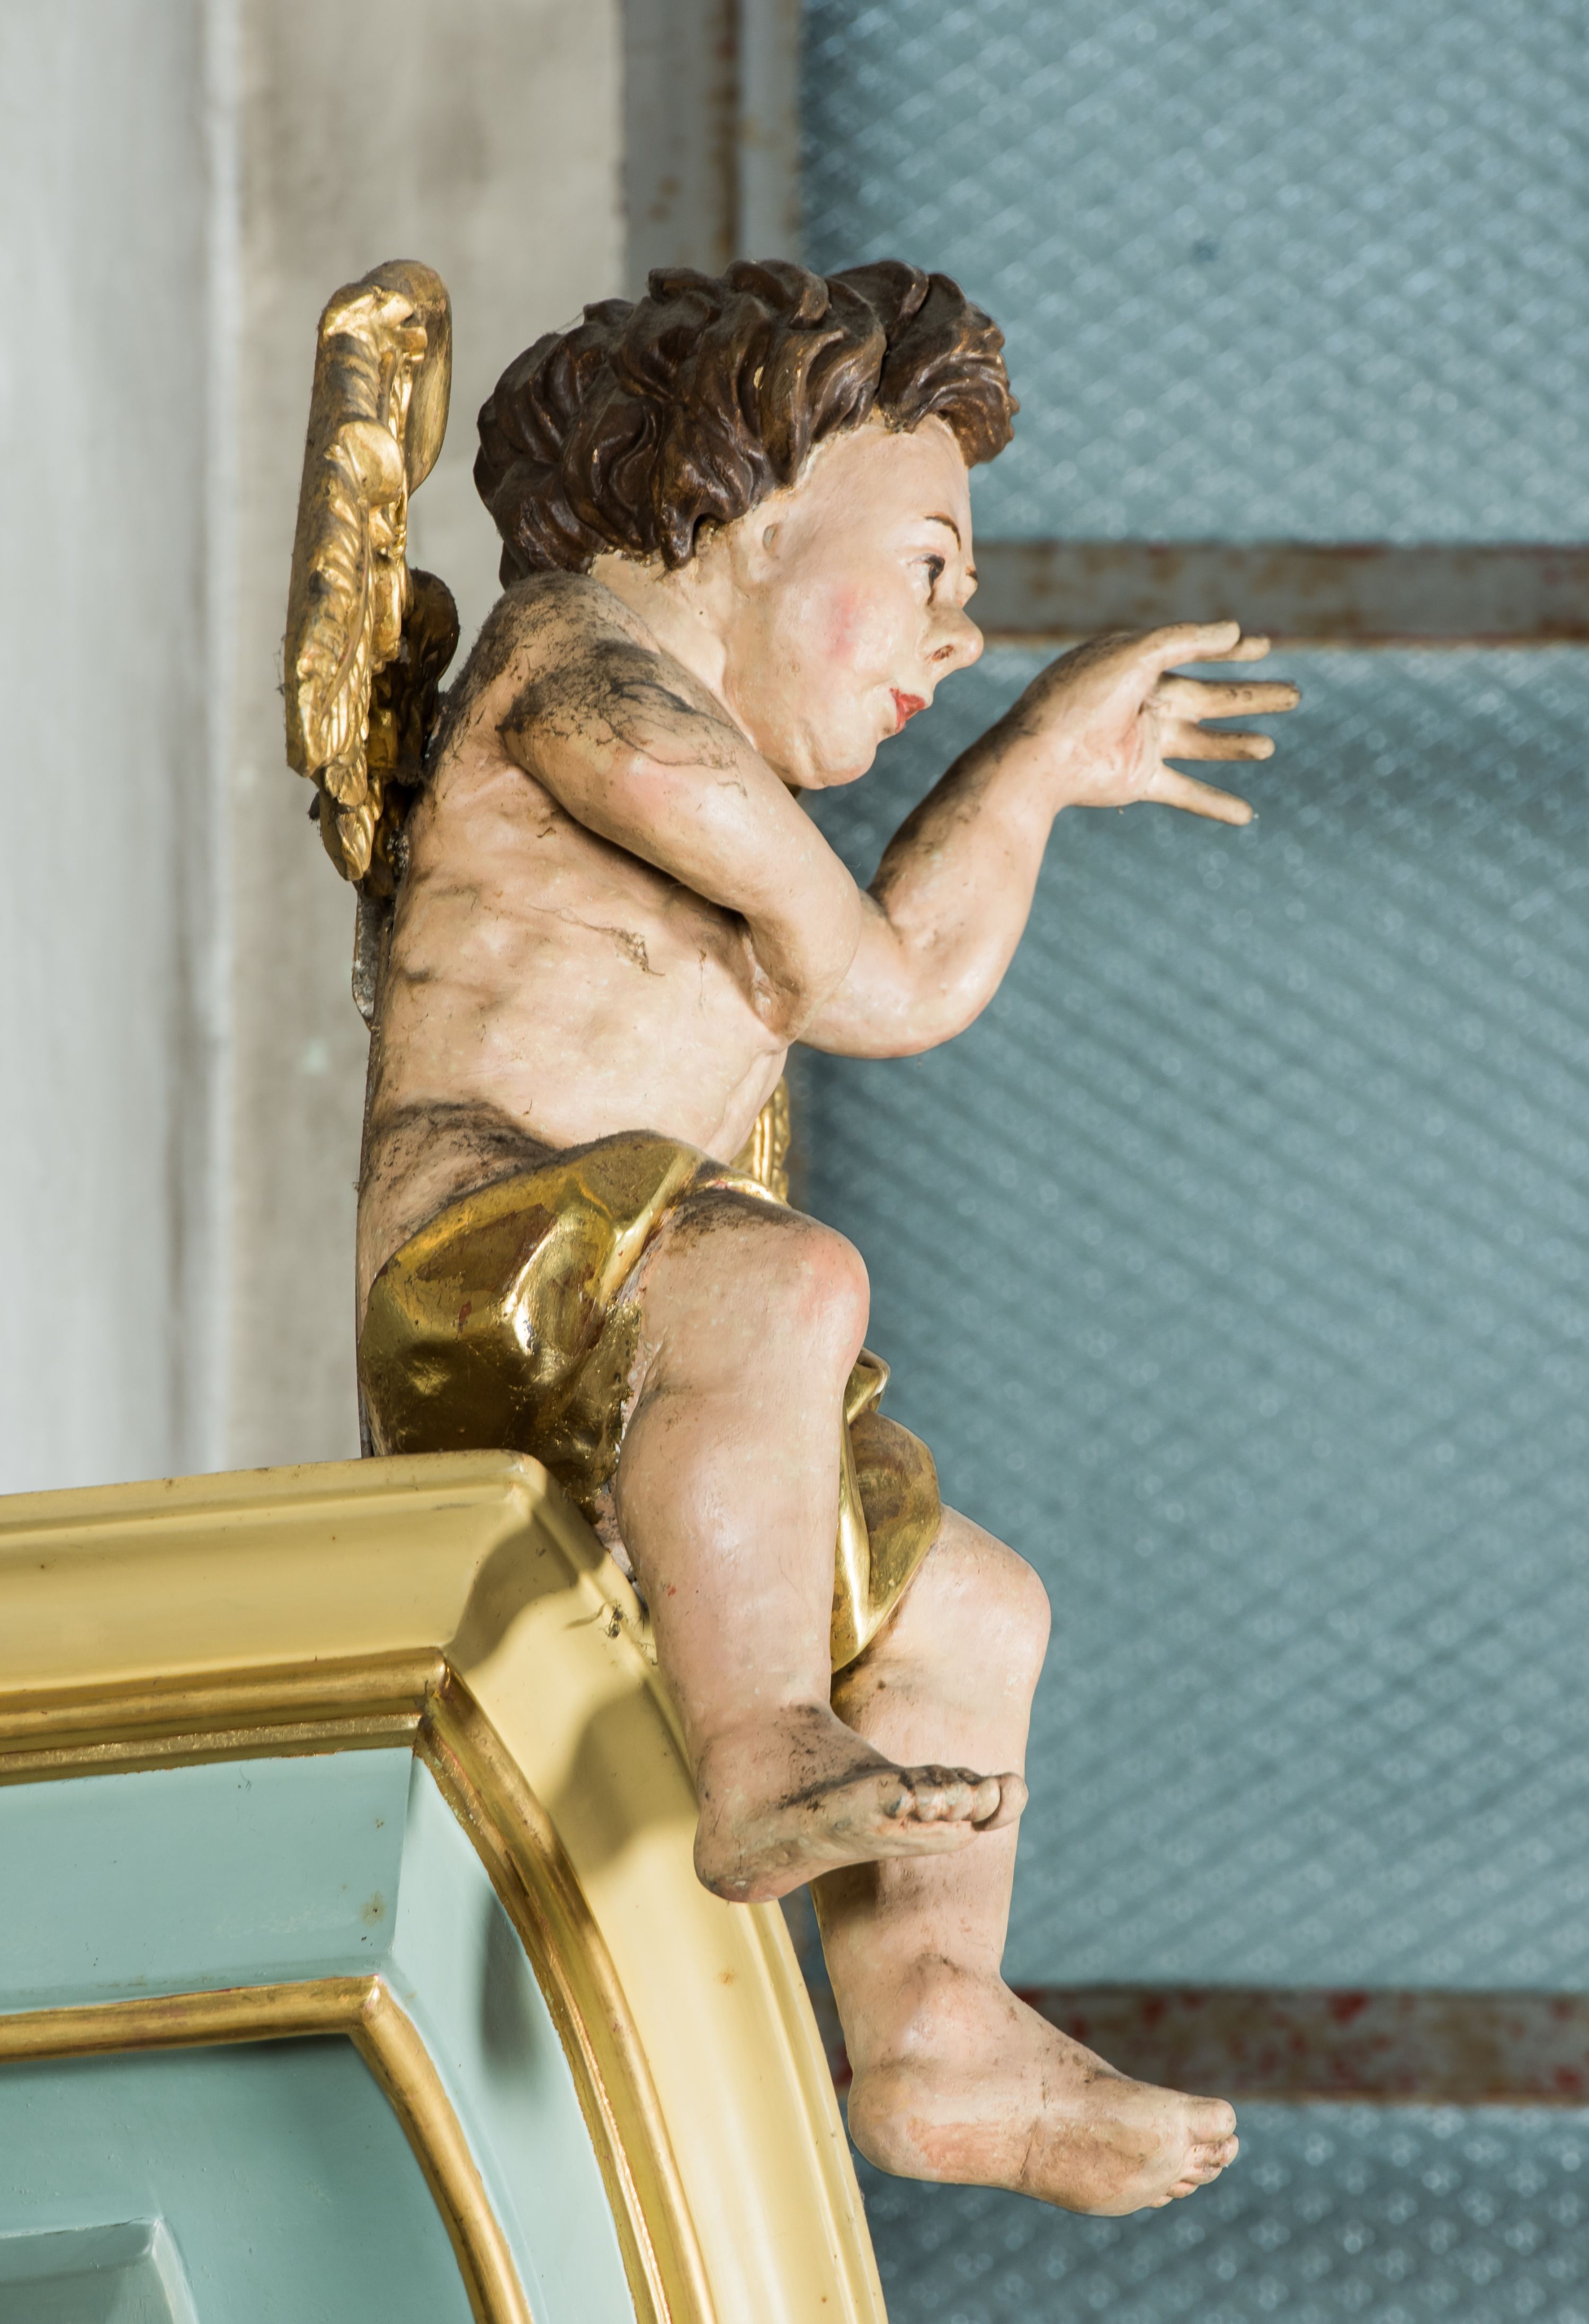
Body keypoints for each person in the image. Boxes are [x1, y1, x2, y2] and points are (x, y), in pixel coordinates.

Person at [354, 259, 1298, 2214]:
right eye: (932, 565)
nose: (959, 630)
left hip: (642, 1319)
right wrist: (1020, 763)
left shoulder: (694, 741)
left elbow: (892, 977)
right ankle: (764, 1737)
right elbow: (867, 974)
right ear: (753, 510)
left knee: (977, 1610)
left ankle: (937, 2027)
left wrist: (1038, 763)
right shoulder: (577, 673)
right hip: (484, 1259)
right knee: (786, 1278)